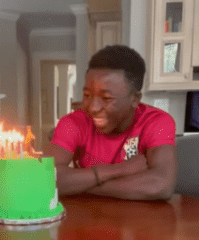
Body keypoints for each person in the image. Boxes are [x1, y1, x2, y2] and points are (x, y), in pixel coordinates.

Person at [46, 45, 177, 200]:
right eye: (87, 95)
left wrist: (79, 184)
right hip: (87, 219)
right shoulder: (72, 123)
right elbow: (44, 180)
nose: (93, 108)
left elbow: (160, 186)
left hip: (138, 220)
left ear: (134, 99)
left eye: (107, 98)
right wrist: (119, 170)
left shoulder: (156, 122)